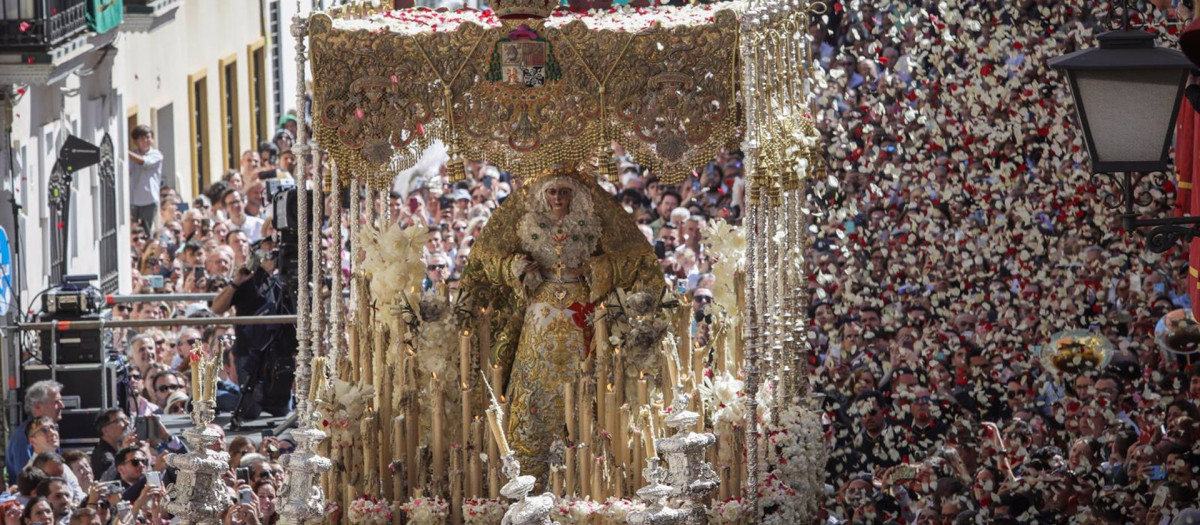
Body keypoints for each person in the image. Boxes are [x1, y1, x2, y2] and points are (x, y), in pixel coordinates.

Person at [460, 167, 662, 476]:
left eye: (564, 192)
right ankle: (529, 461)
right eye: (552, 192)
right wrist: (517, 267)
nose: (558, 199)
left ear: (575, 196)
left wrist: (595, 269)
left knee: (582, 377)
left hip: (579, 310)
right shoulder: (524, 222)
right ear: (542, 195)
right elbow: (488, 260)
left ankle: (587, 465)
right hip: (539, 311)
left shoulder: (594, 222)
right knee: (534, 381)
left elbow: (629, 260)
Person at [7, 381, 64, 484]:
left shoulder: (51, 432)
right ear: (37, 406)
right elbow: (27, 479)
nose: (62, 406)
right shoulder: (23, 437)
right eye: (56, 402)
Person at [128, 125, 164, 231]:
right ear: (135, 141)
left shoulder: (156, 155)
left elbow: (143, 161)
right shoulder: (132, 154)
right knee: (133, 231)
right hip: (133, 200)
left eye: (148, 137)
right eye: (142, 138)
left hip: (149, 200)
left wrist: (126, 153)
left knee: (145, 231)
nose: (146, 141)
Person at [90, 409, 131, 477]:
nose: (127, 423)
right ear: (105, 431)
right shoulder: (105, 458)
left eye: (127, 418)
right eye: (120, 420)